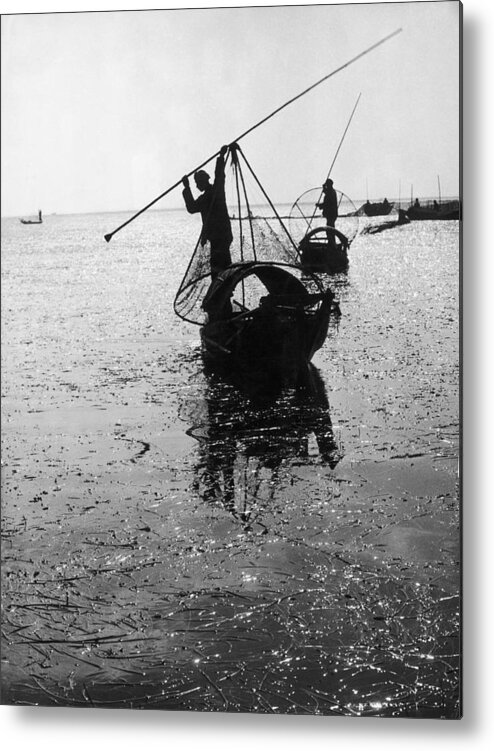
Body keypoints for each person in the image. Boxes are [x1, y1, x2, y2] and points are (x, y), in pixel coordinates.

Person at [182, 144, 233, 279]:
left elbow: (219, 175)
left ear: (203, 182)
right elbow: (192, 208)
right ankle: (224, 296)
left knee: (221, 269)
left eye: (197, 183)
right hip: (217, 237)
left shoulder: (216, 192)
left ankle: (225, 296)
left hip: (221, 236)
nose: (197, 186)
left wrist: (221, 157)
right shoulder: (206, 197)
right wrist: (187, 188)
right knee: (219, 269)